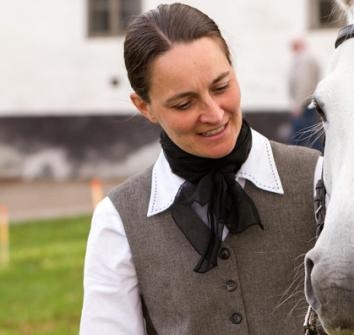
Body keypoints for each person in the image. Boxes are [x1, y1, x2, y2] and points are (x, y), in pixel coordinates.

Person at [79, 3, 322, 334]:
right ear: (144, 106)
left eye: (221, 87)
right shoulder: (119, 220)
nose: (214, 114)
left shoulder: (318, 179)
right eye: (184, 103)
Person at [288, 37, 324, 152]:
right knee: (310, 130)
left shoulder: (304, 59)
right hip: (309, 100)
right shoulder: (308, 59)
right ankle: (318, 155)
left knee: (300, 132)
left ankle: (294, 155)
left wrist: (297, 105)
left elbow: (303, 83)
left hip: (304, 102)